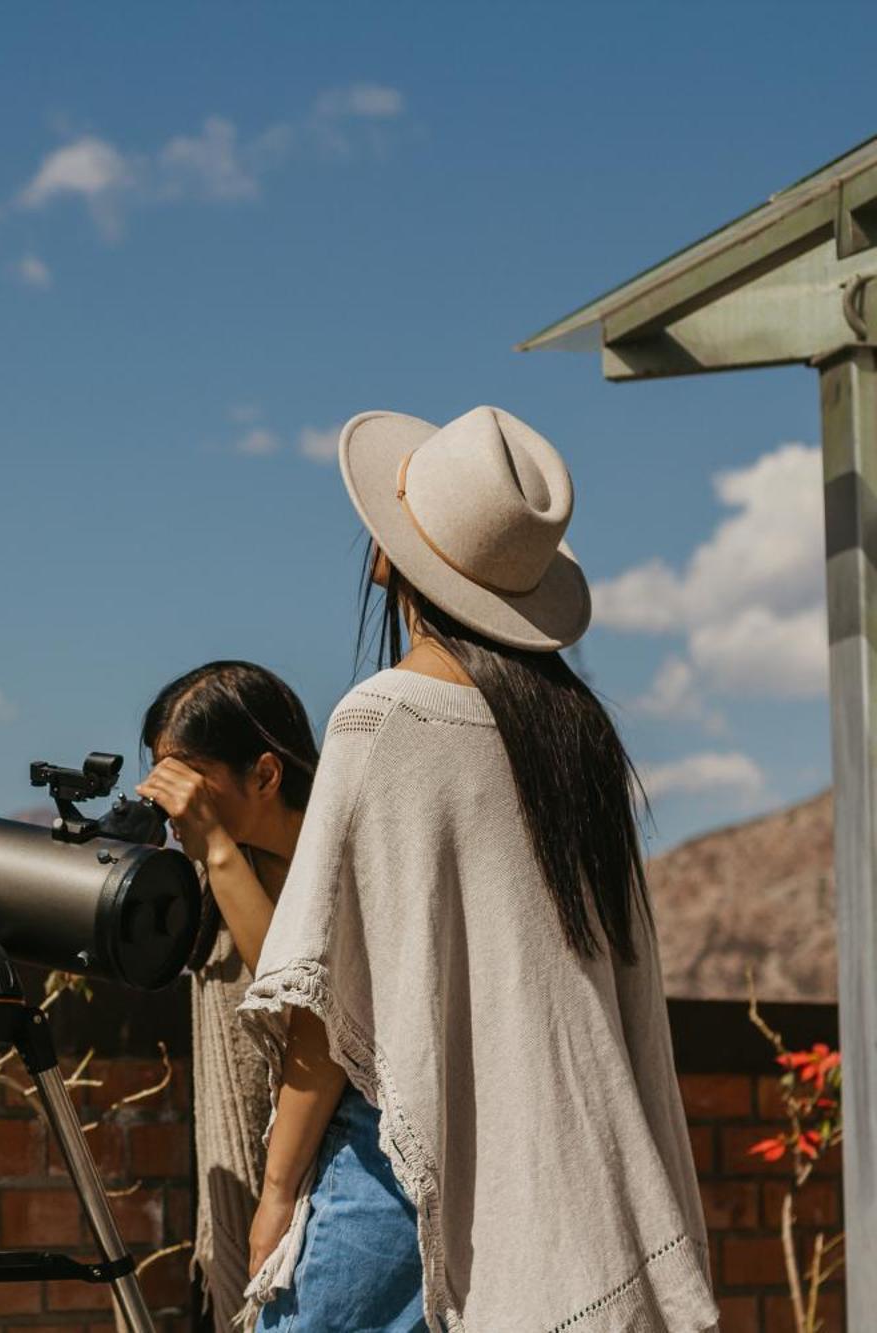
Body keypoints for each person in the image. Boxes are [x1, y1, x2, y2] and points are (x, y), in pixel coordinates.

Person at [239, 406, 716, 1331]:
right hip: (566, 1175)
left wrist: (274, 1192)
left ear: (387, 556)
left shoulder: (380, 720)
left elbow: (323, 1009)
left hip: (397, 1165)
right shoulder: (580, 737)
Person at [133, 661, 317, 1327]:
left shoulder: (340, 861)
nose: (180, 806)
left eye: (190, 782)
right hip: (241, 1211)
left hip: (339, 1197)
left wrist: (214, 843)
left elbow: (296, 993)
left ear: (265, 774)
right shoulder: (209, 874)